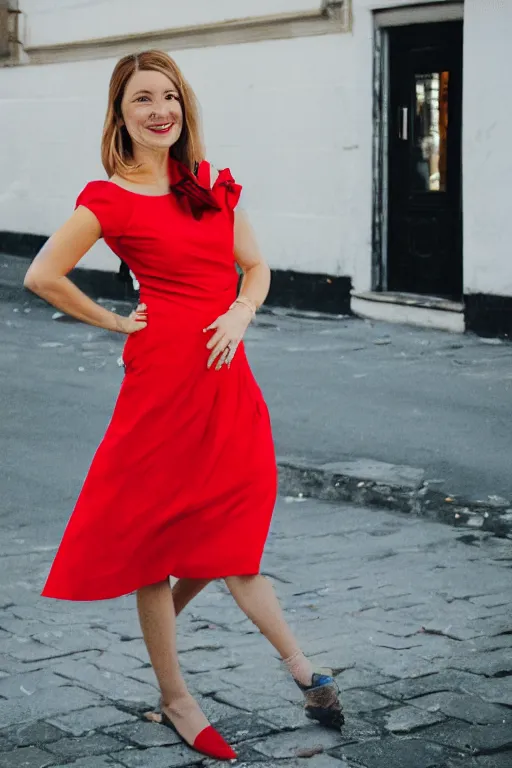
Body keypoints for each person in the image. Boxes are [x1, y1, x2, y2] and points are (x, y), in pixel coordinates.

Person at [24, 50, 343, 761]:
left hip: (228, 377)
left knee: (235, 514)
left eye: (169, 96)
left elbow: (254, 267)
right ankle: (180, 696)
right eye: (142, 99)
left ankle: (281, 662)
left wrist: (240, 312)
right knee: (154, 542)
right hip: (161, 379)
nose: (159, 109)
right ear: (121, 115)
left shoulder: (207, 185)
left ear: (183, 107)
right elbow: (43, 274)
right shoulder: (106, 198)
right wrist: (113, 322)